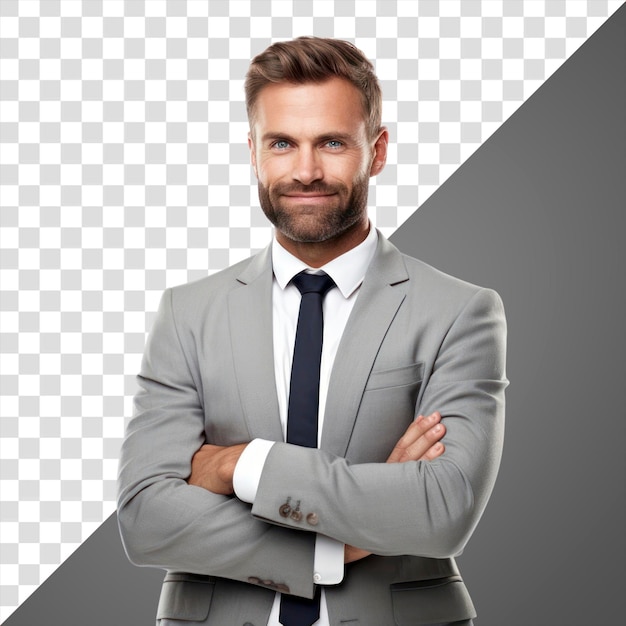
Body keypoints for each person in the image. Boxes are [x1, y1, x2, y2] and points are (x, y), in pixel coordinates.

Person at [117, 37, 507, 626]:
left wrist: (238, 464)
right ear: (253, 152)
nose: (305, 171)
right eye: (282, 143)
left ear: (375, 152)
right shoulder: (187, 313)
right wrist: (338, 544)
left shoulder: (459, 311)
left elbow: (443, 509)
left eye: (331, 142)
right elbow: (145, 520)